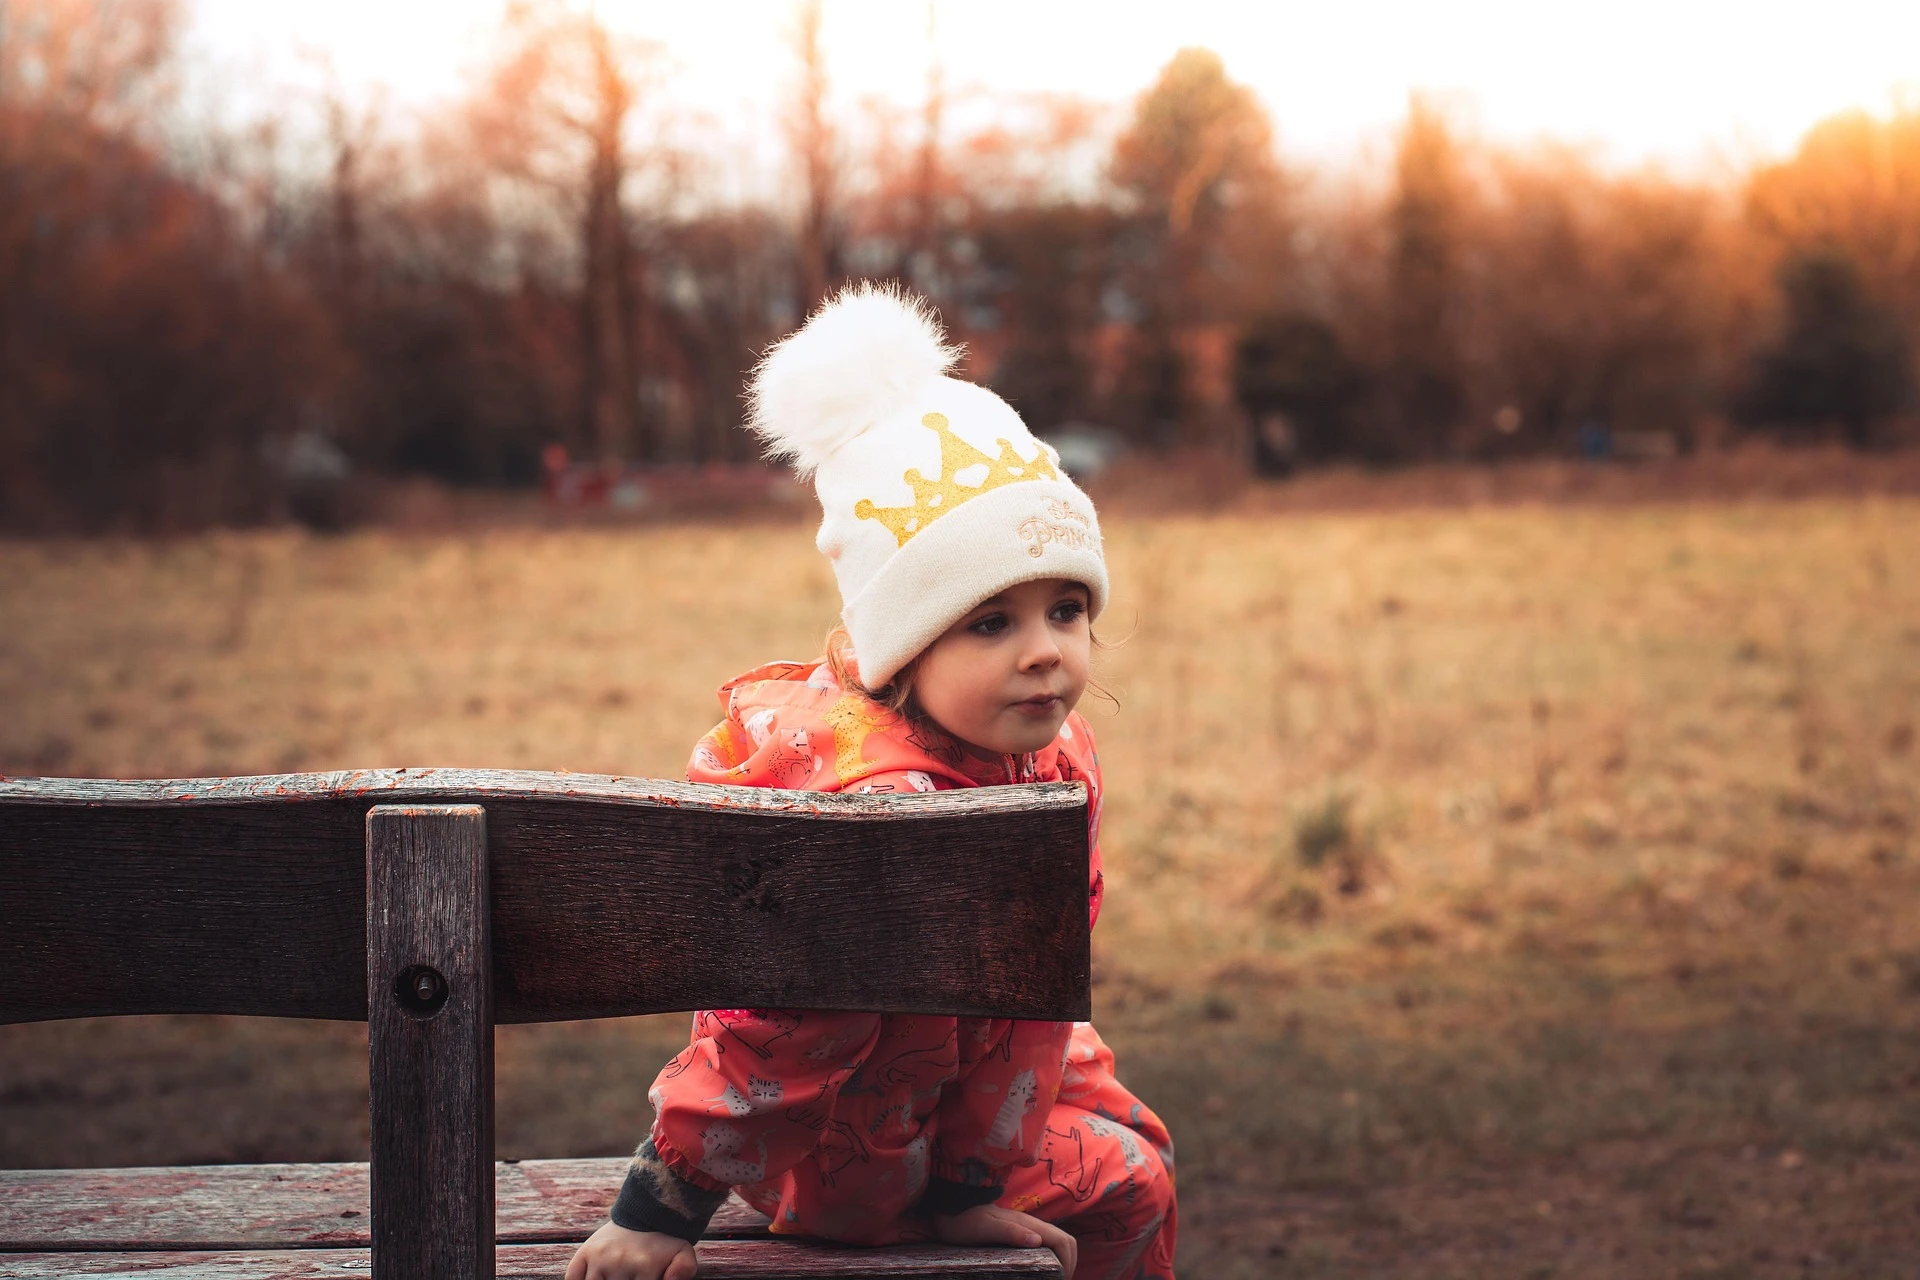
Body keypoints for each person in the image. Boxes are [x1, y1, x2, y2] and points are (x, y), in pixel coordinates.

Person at [565, 284, 1176, 1280]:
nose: (1045, 653)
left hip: (961, 1084)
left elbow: (1032, 1001)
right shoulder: (880, 809)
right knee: (1132, 1182)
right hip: (850, 1144)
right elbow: (782, 1034)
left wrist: (975, 1184)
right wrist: (664, 1201)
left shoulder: (1053, 765)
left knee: (1131, 1129)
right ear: (900, 647)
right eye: (990, 622)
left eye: (1066, 608)